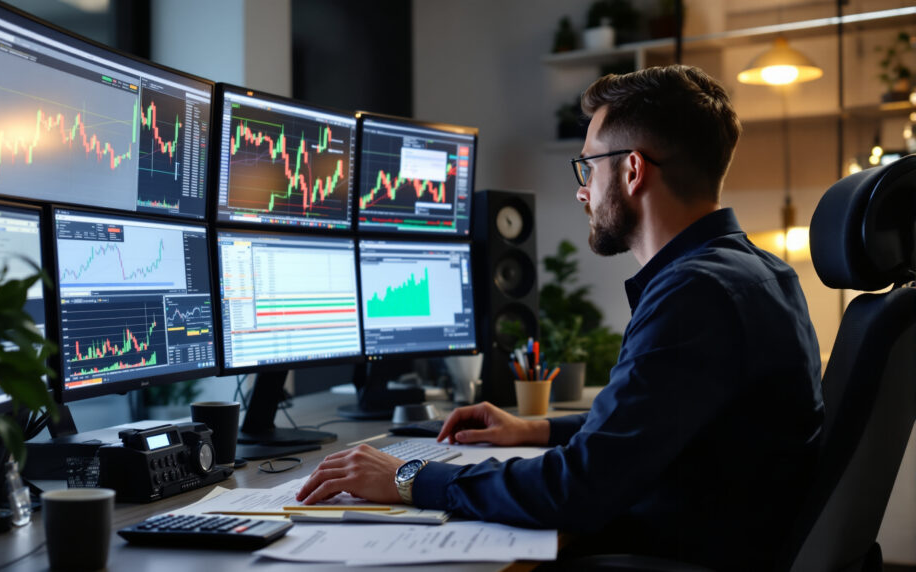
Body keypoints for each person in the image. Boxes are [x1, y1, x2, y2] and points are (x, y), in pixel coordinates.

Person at [296, 65, 823, 571]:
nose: (581, 190)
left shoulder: (694, 293)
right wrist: (535, 429)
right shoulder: (761, 273)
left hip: (684, 553)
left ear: (633, 170)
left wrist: (409, 476)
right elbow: (656, 420)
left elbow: (577, 490)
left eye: (588, 166)